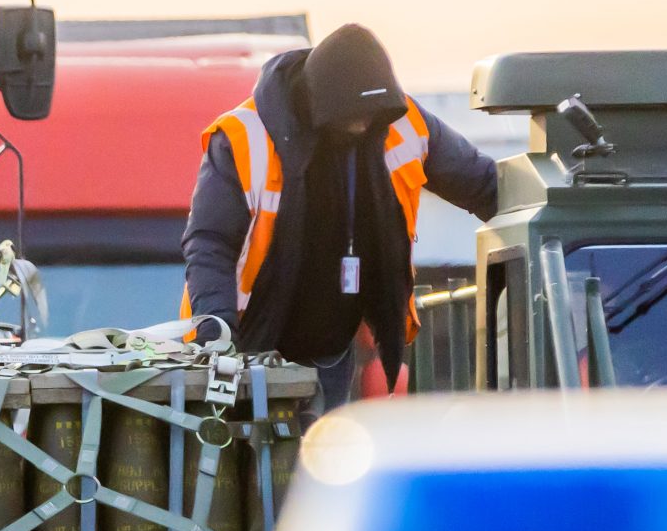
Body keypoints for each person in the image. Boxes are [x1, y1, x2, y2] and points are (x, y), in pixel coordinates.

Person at [180, 24, 498, 406]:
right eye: (352, 118)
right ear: (320, 108)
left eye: (372, 118)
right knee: (254, 463)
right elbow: (210, 242)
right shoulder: (242, 136)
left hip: (332, 351)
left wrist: (543, 226)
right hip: (247, 348)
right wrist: (215, 333)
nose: (363, 127)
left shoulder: (400, 120)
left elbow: (483, 185)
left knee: (319, 460)